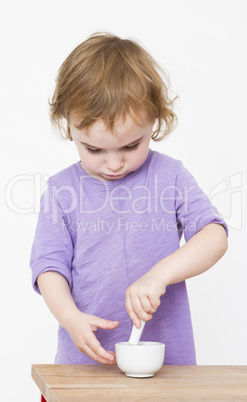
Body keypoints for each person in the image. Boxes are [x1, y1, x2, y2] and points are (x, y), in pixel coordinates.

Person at [30, 32, 228, 366]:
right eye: (94, 149)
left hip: (167, 367)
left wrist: (159, 275)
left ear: (155, 120)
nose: (113, 163)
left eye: (131, 145)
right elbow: (49, 268)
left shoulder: (170, 176)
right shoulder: (61, 191)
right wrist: (70, 318)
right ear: (69, 126)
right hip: (86, 365)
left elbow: (215, 236)